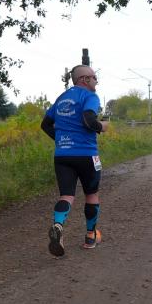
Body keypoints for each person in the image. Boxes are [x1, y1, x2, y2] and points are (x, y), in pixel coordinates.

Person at [40, 64, 109, 256]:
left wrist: (61, 140)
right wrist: (102, 126)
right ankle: (90, 236)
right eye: (94, 77)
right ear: (84, 79)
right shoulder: (90, 96)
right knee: (92, 195)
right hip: (87, 154)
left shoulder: (61, 98)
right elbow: (88, 120)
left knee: (66, 195)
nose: (96, 81)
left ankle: (58, 226)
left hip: (63, 155)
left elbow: (45, 124)